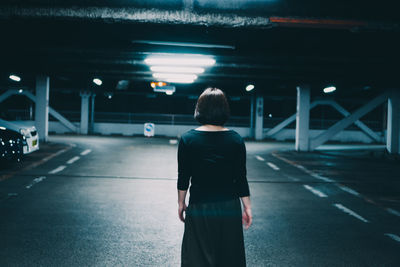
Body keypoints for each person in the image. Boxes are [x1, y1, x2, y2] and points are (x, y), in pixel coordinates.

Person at [177, 87, 252, 267]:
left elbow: (183, 176)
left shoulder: (188, 139)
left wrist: (181, 203)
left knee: (197, 257)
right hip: (229, 206)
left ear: (199, 108)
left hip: (200, 205)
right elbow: (241, 177)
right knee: (229, 257)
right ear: (224, 109)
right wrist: (247, 207)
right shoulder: (235, 139)